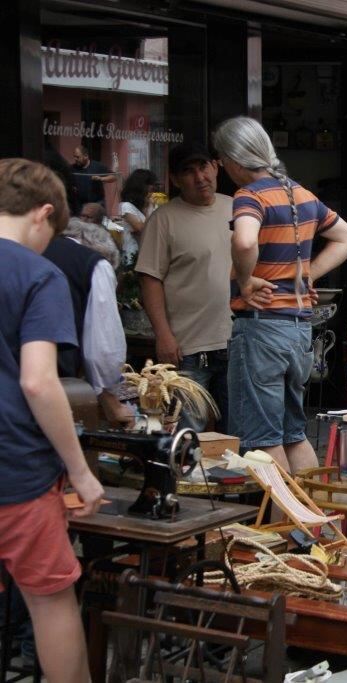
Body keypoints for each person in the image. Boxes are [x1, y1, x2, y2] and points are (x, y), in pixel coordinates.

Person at [0, 157, 104, 683]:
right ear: (43, 214)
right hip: (16, 470)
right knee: (51, 602)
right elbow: (38, 382)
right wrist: (81, 471)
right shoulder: (39, 274)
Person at [214, 116, 347, 474]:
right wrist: (306, 273)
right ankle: (313, 520)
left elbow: (245, 239)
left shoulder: (249, 196)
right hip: (298, 331)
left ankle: (286, 524)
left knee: (263, 440)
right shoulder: (301, 194)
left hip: (261, 330)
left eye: (221, 158)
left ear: (233, 159)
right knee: (294, 434)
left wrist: (246, 280)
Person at [136, 142, 233, 431]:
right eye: (188, 171)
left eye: (203, 167)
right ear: (176, 180)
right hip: (188, 348)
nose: (199, 177)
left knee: (239, 437)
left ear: (216, 167)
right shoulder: (163, 219)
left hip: (237, 342)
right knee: (187, 435)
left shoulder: (238, 207)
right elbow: (149, 279)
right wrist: (163, 335)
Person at [44, 217, 133, 427]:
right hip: (49, 389)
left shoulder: (27, 249)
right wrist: (114, 404)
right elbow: (103, 350)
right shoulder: (95, 264)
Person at [118, 168, 158, 264]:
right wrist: (149, 208)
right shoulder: (126, 207)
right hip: (133, 254)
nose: (152, 190)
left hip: (150, 253)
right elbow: (142, 229)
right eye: (150, 185)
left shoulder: (150, 205)